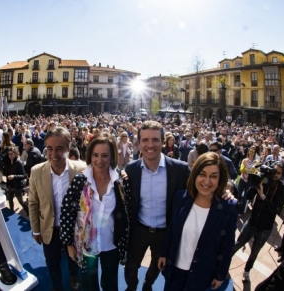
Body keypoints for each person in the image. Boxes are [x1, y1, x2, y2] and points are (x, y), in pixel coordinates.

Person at [124, 121, 191, 291]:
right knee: (131, 266)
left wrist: (228, 188)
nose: (150, 145)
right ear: (139, 143)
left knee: (156, 265)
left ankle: (148, 285)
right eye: (145, 140)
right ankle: (131, 287)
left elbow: (200, 188)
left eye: (155, 140)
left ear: (163, 141)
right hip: (139, 230)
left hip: (165, 232)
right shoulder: (131, 170)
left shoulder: (180, 169)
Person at [158, 152, 238, 291]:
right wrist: (164, 253)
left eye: (213, 176)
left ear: (220, 179)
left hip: (201, 276)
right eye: (202, 174)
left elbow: (227, 245)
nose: (207, 181)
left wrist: (220, 274)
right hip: (175, 271)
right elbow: (171, 229)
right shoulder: (180, 197)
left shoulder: (228, 207)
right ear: (194, 175)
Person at [60, 133, 130, 291]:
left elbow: (128, 214)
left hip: (111, 244)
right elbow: (67, 211)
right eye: (95, 155)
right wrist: (69, 244)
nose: (100, 160)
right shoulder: (80, 181)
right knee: (89, 283)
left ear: (112, 156)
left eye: (105, 155)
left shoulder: (120, 182)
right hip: (87, 245)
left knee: (110, 283)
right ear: (90, 156)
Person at [28, 126, 86, 291]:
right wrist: (36, 230)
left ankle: (74, 280)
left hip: (75, 230)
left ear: (68, 148)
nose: (53, 154)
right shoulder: (36, 172)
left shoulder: (82, 169)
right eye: (50, 149)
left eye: (59, 149)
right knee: (52, 263)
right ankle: (57, 286)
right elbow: (33, 203)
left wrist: (122, 175)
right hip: (50, 229)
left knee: (73, 261)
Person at [232, 162, 284, 282]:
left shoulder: (282, 189)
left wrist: (263, 196)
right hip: (252, 222)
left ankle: (246, 271)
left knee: (254, 253)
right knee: (237, 244)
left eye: (278, 173)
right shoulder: (264, 181)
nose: (275, 175)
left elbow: (277, 209)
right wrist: (255, 183)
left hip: (265, 228)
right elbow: (249, 196)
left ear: (282, 175)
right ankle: (224, 264)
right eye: (274, 171)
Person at [4, 146, 28, 214]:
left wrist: (14, 176)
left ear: (15, 154)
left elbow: (24, 175)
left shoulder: (19, 162)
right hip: (10, 185)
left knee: (21, 202)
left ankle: (29, 213)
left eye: (12, 154)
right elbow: (6, 173)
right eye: (9, 154)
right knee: (10, 200)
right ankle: (12, 212)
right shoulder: (8, 163)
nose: (10, 156)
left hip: (17, 186)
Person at [237, 146, 259, 214]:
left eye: (253, 152)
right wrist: (248, 169)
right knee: (238, 194)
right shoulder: (244, 160)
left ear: (254, 153)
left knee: (246, 197)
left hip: (249, 182)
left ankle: (241, 211)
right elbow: (241, 170)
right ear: (248, 152)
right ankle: (234, 208)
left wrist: (248, 170)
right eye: (250, 151)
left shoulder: (256, 162)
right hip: (242, 179)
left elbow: (255, 172)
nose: (251, 153)